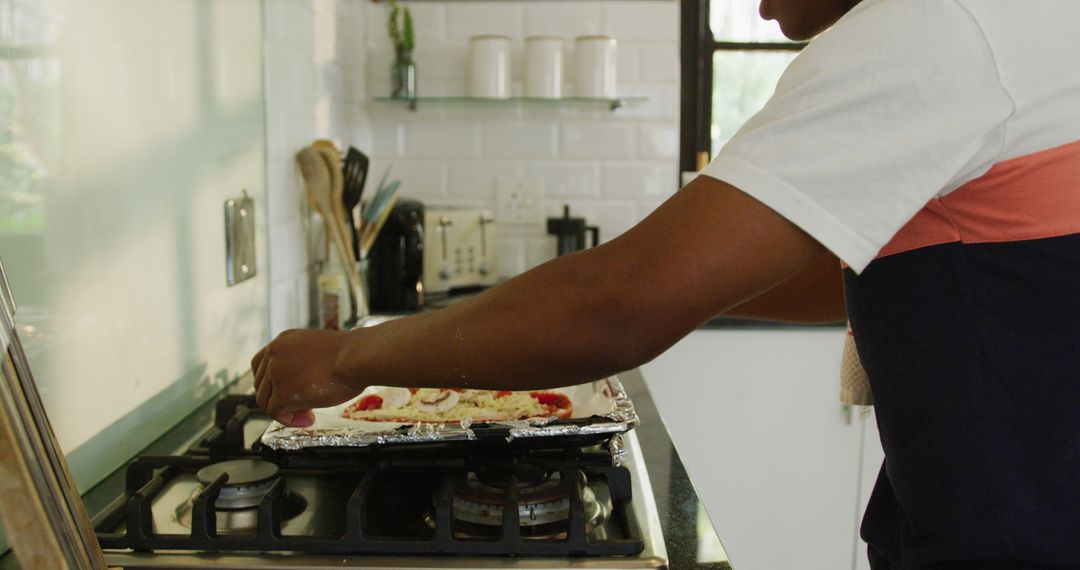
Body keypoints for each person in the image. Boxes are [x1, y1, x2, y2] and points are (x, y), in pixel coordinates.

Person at [252, 0, 1080, 567]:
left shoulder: (929, 32)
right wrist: (666, 281)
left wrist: (349, 357)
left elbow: (614, 307)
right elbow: (873, 269)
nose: (755, 8)